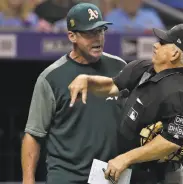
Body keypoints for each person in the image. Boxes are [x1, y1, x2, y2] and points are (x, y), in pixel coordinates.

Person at [68, 24, 183, 184]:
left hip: (158, 176)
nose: (155, 44)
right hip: (126, 169)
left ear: (174, 54)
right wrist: (87, 80)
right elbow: (112, 85)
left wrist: (125, 159)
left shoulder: (181, 93)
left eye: (163, 43)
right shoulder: (145, 68)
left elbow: (170, 142)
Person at [21, 3, 126, 184]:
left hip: (109, 176)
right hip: (66, 176)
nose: (98, 38)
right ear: (72, 36)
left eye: (101, 31)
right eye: (89, 33)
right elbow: (33, 134)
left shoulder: (120, 68)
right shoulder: (51, 77)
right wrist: (28, 180)